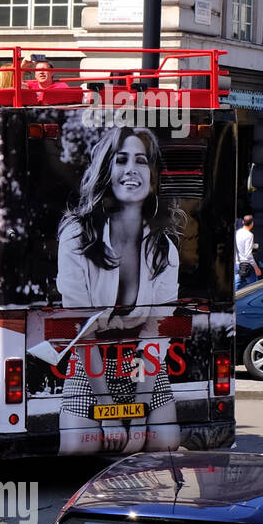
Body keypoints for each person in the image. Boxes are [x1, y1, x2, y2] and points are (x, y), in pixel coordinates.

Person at [57, 126, 185, 455]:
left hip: (143, 369)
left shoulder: (165, 249)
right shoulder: (77, 236)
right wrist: (110, 416)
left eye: (141, 161)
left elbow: (155, 333)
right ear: (107, 170)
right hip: (91, 367)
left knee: (164, 446)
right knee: (78, 450)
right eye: (121, 159)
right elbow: (82, 331)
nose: (131, 169)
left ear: (153, 175)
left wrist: (138, 416)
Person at [236, 215, 260, 290]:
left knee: (236, 286)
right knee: (254, 287)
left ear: (243, 222)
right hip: (247, 265)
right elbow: (248, 255)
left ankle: (236, 300)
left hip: (237, 263)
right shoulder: (249, 235)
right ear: (252, 223)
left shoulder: (237, 233)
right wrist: (256, 268)